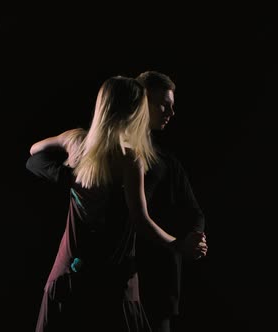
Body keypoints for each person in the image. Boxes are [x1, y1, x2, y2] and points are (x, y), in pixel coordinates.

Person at [25, 75, 206, 332]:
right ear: (133, 112)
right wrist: (179, 245)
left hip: (66, 278)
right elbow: (140, 220)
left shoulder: (75, 140)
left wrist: (67, 169)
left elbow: (34, 151)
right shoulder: (129, 159)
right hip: (109, 285)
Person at [134, 70, 207, 332]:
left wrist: (196, 237)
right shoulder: (117, 155)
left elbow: (194, 211)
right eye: (164, 104)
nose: (171, 113)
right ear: (143, 102)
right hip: (126, 275)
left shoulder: (167, 163)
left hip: (158, 280)